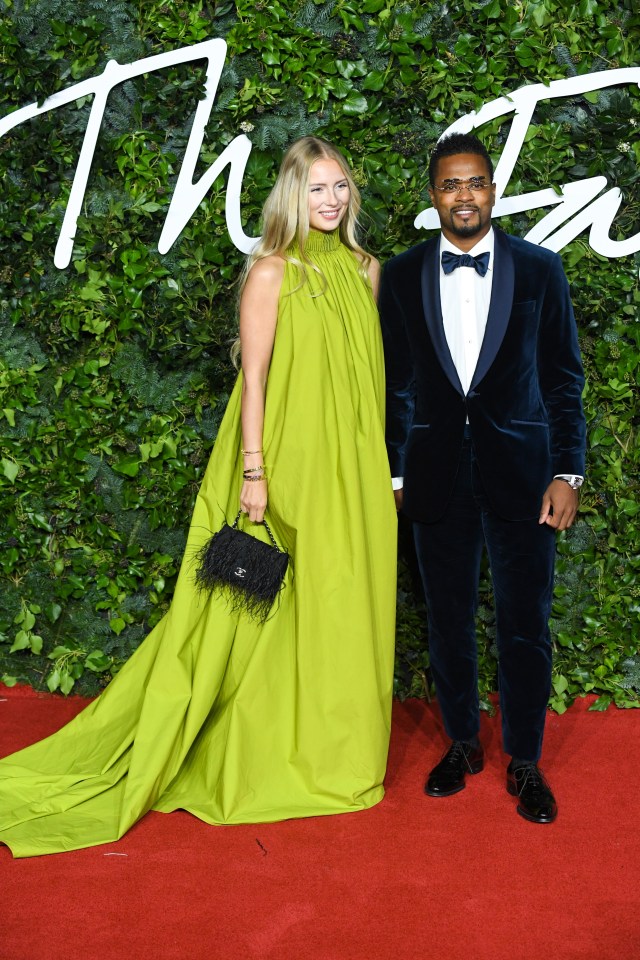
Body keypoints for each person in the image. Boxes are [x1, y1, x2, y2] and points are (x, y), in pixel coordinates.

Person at [0, 137, 397, 858]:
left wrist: (383, 470)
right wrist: (253, 471)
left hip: (352, 468)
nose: (332, 201)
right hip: (277, 462)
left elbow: (367, 381)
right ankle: (239, 745)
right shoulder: (272, 273)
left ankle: (337, 755)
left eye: (340, 187)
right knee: (241, 618)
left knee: (342, 606)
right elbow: (256, 379)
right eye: (316, 189)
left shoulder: (368, 271)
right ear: (290, 196)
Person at [379, 131, 586, 824]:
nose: (462, 196)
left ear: (492, 190)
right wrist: (398, 472)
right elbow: (397, 385)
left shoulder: (540, 269)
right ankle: (464, 743)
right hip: (435, 478)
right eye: (449, 185)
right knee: (448, 621)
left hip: (525, 475)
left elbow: (563, 380)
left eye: (474, 183)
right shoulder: (405, 275)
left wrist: (569, 473)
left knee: (525, 621)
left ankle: (524, 758)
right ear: (432, 195)